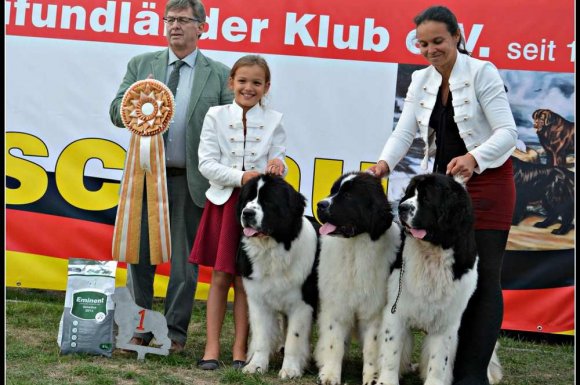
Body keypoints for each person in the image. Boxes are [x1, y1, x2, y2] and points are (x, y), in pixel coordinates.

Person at [368, 5, 517, 385]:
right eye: (423, 43)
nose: (431, 49)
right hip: (442, 192)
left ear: (456, 36)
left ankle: (472, 373)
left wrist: (473, 157)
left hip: (487, 185)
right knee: (443, 280)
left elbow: (507, 133)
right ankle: (440, 367)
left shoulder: (482, 72)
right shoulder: (420, 80)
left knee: (483, 279)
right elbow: (403, 133)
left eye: (438, 41)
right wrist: (383, 164)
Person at [109, 0, 233, 353]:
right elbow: (115, 113)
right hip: (145, 177)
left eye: (183, 20)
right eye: (170, 19)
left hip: (190, 181)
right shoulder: (141, 65)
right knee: (139, 258)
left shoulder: (219, 73)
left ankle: (175, 334)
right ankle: (139, 329)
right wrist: (135, 99)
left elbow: (227, 130)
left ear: (202, 27)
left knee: (183, 265)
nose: (174, 25)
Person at [189, 54, 287, 370]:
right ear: (231, 82)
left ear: (266, 87)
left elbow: (278, 159)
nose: (248, 87)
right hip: (223, 204)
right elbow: (207, 164)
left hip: (255, 209)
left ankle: (240, 348)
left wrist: (276, 166)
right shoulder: (215, 116)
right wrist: (241, 177)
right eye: (242, 81)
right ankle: (211, 347)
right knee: (220, 276)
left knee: (246, 279)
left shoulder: (275, 120)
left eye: (256, 83)